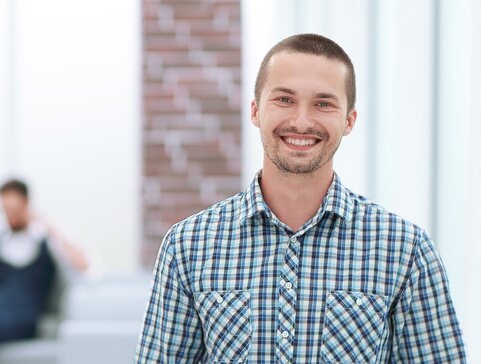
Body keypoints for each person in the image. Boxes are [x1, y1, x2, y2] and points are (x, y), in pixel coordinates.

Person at [135, 33, 467, 363]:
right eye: (284, 99)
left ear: (349, 120)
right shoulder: (188, 245)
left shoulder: (406, 251)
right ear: (255, 111)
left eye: (323, 103)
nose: (302, 121)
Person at [0, 179, 88, 364]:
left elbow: (82, 264)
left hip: (25, 316)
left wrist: (45, 222)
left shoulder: (46, 239)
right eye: (5, 209)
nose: (9, 215)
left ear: (26, 205)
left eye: (14, 209)